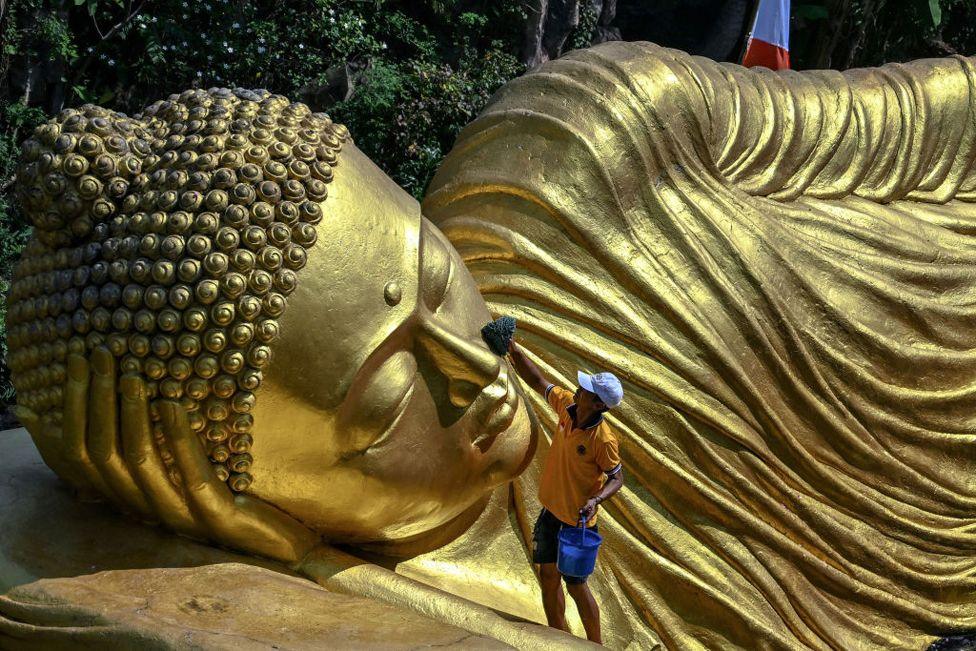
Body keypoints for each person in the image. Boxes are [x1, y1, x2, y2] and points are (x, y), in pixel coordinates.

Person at [507, 338, 625, 644]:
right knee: (548, 578)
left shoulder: (604, 440)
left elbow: (617, 478)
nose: (579, 389)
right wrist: (514, 349)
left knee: (576, 586)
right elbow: (537, 380)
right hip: (551, 514)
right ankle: (557, 640)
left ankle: (595, 645)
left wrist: (596, 499)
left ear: (599, 405)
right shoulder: (566, 406)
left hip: (577, 524)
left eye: (586, 390)